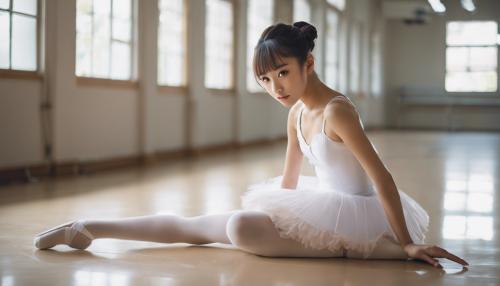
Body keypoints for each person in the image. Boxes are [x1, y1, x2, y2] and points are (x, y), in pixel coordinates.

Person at [34, 21, 468, 269]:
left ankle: (384, 252)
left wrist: (408, 242)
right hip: (321, 207)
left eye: (282, 72)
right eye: (265, 79)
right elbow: (290, 183)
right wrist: (280, 214)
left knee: (238, 228)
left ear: (307, 63)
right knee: (204, 224)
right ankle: (88, 227)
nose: (275, 86)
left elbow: (381, 177)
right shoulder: (296, 112)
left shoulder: (338, 111)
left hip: (358, 218)